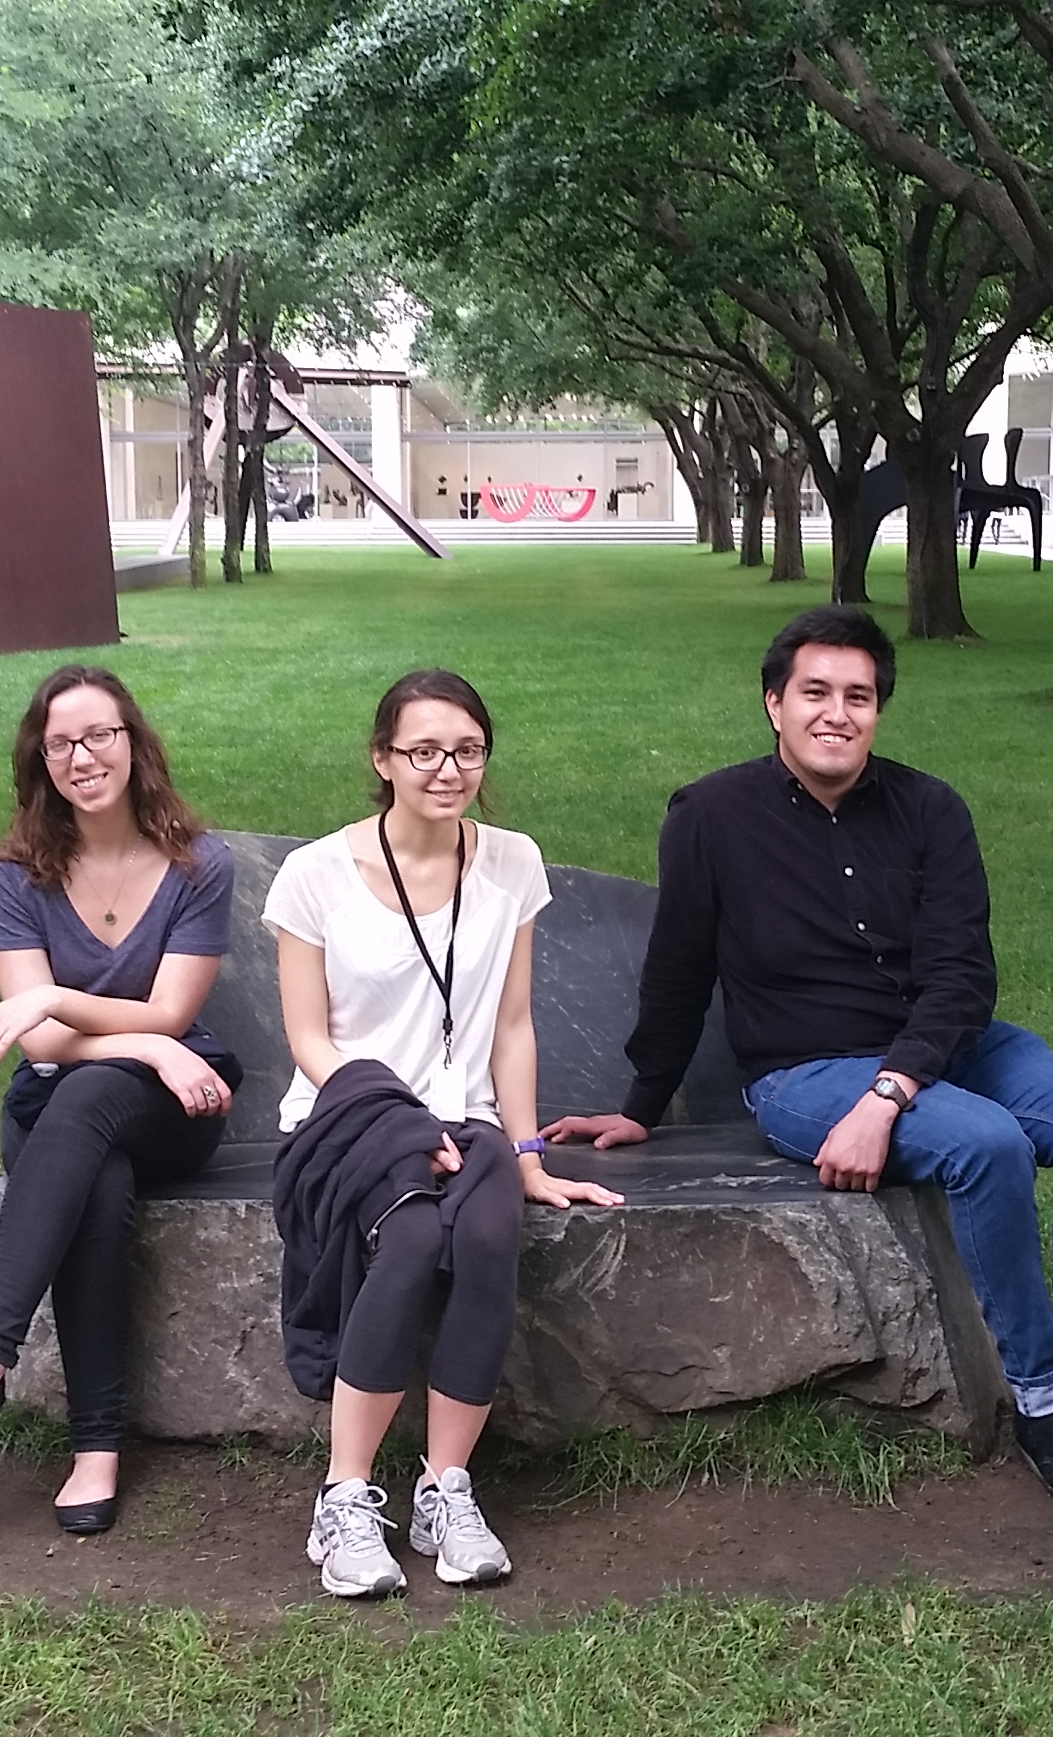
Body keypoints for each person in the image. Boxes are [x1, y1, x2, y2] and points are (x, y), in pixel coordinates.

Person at [549, 606, 1053, 1513]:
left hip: (942, 1048)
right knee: (987, 1146)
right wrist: (643, 1102)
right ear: (774, 703)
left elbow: (963, 975)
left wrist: (891, 1091)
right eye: (815, 692)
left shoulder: (929, 809)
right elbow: (680, 968)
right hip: (805, 1070)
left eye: (859, 697)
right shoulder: (709, 816)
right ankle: (1045, 1404)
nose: (837, 713)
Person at [266, 670, 624, 1599]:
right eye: (423, 751)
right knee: (416, 1234)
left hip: (461, 1119)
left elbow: (510, 1027)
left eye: (467, 750)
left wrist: (530, 1153)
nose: (447, 768)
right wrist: (396, 1122)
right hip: (345, 1114)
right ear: (382, 760)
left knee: (491, 1228)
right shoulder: (315, 873)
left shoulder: (509, 861)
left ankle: (445, 1490)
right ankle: (344, 1497)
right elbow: (309, 1041)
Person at [0, 666, 241, 1536]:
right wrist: (146, 1040)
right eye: (61, 744)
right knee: (99, 1184)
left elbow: (169, 1013)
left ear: (133, 743)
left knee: (93, 1102)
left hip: (171, 1107)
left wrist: (59, 1001)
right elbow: (41, 1046)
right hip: (63, 1100)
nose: (83, 757)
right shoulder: (19, 873)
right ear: (40, 761)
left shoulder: (200, 863)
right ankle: (96, 1449)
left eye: (99, 736)